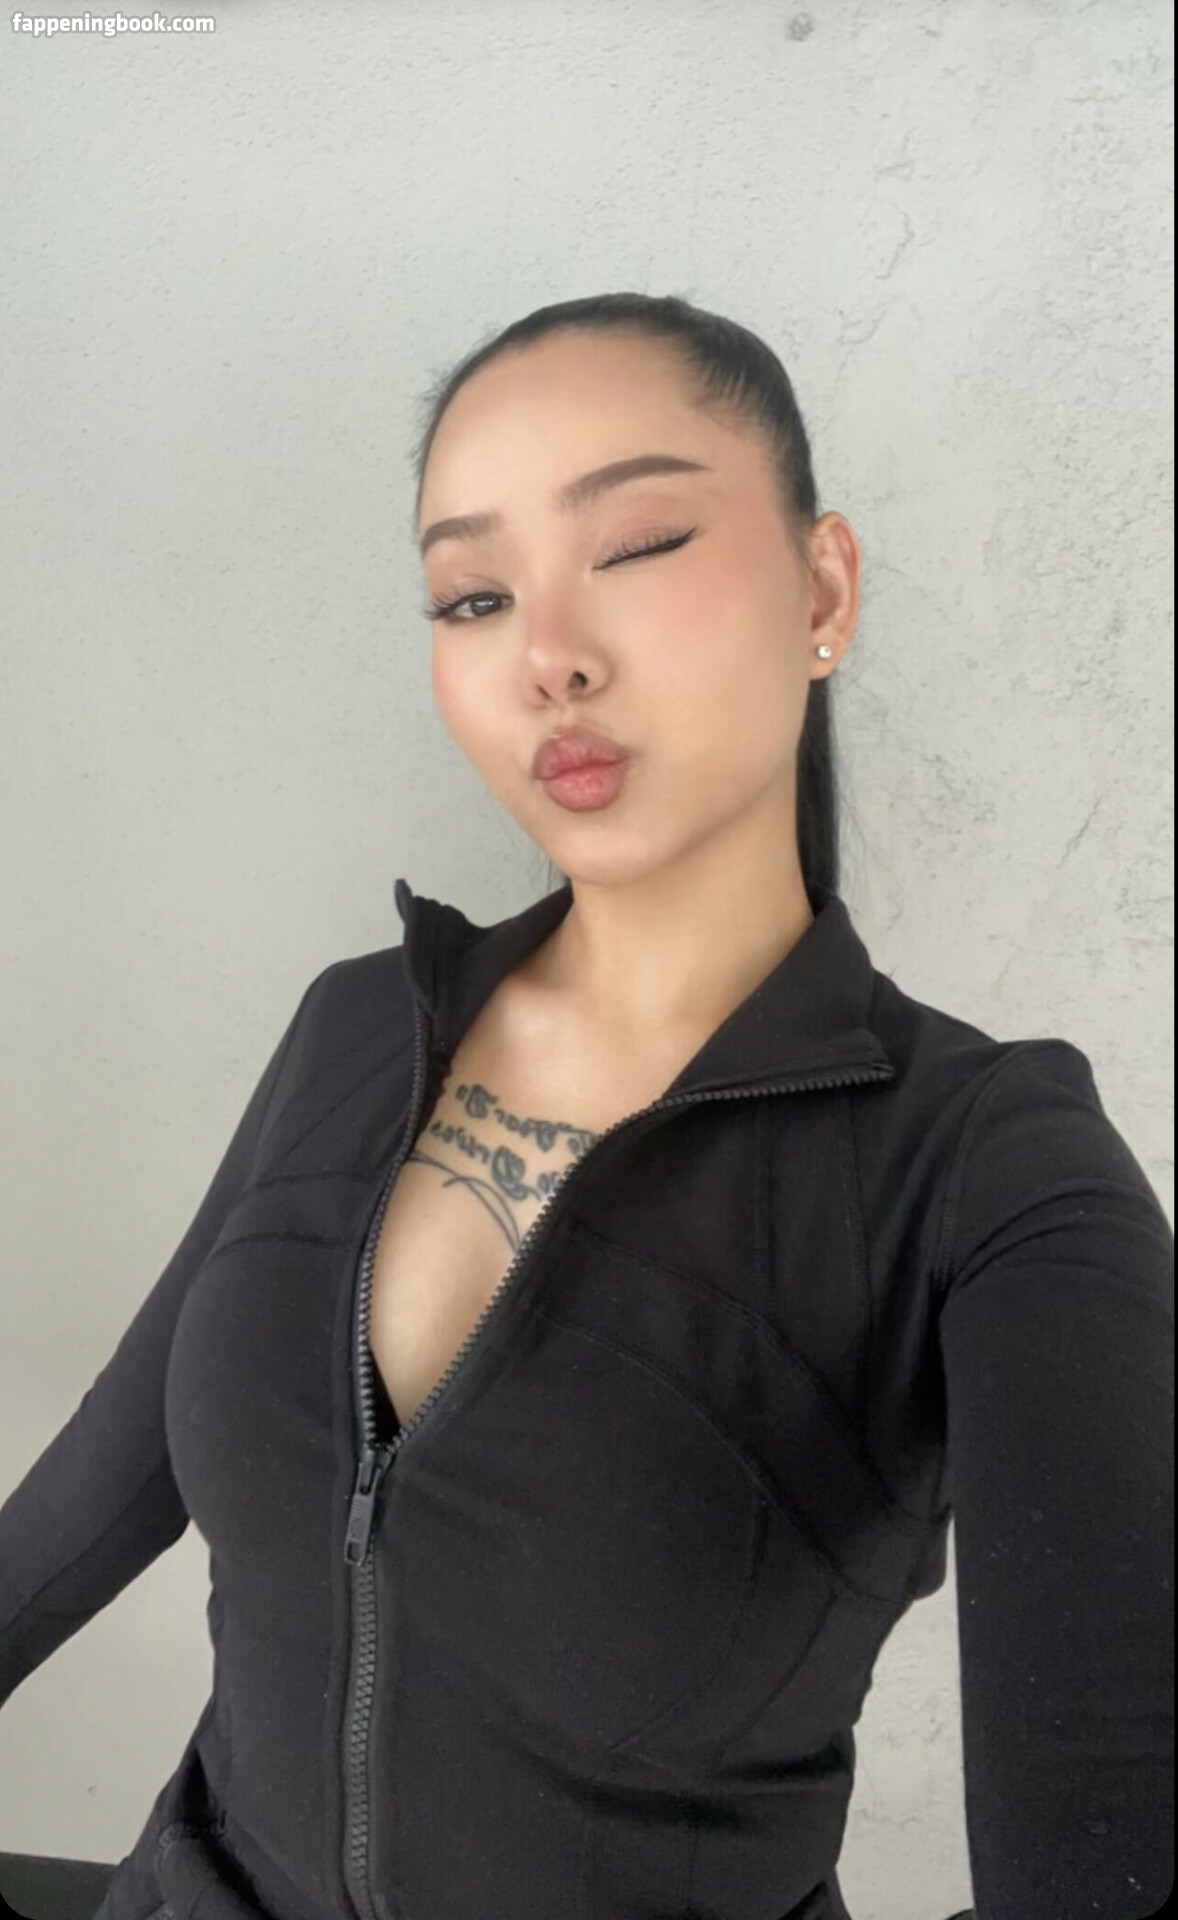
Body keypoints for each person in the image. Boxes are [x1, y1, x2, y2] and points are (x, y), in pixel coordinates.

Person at [0, 293, 1172, 1920]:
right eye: (472, 596)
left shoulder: (987, 1170)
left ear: (823, 588)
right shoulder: (355, 1028)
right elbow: (97, 1494)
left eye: (633, 546)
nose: (546, 654)